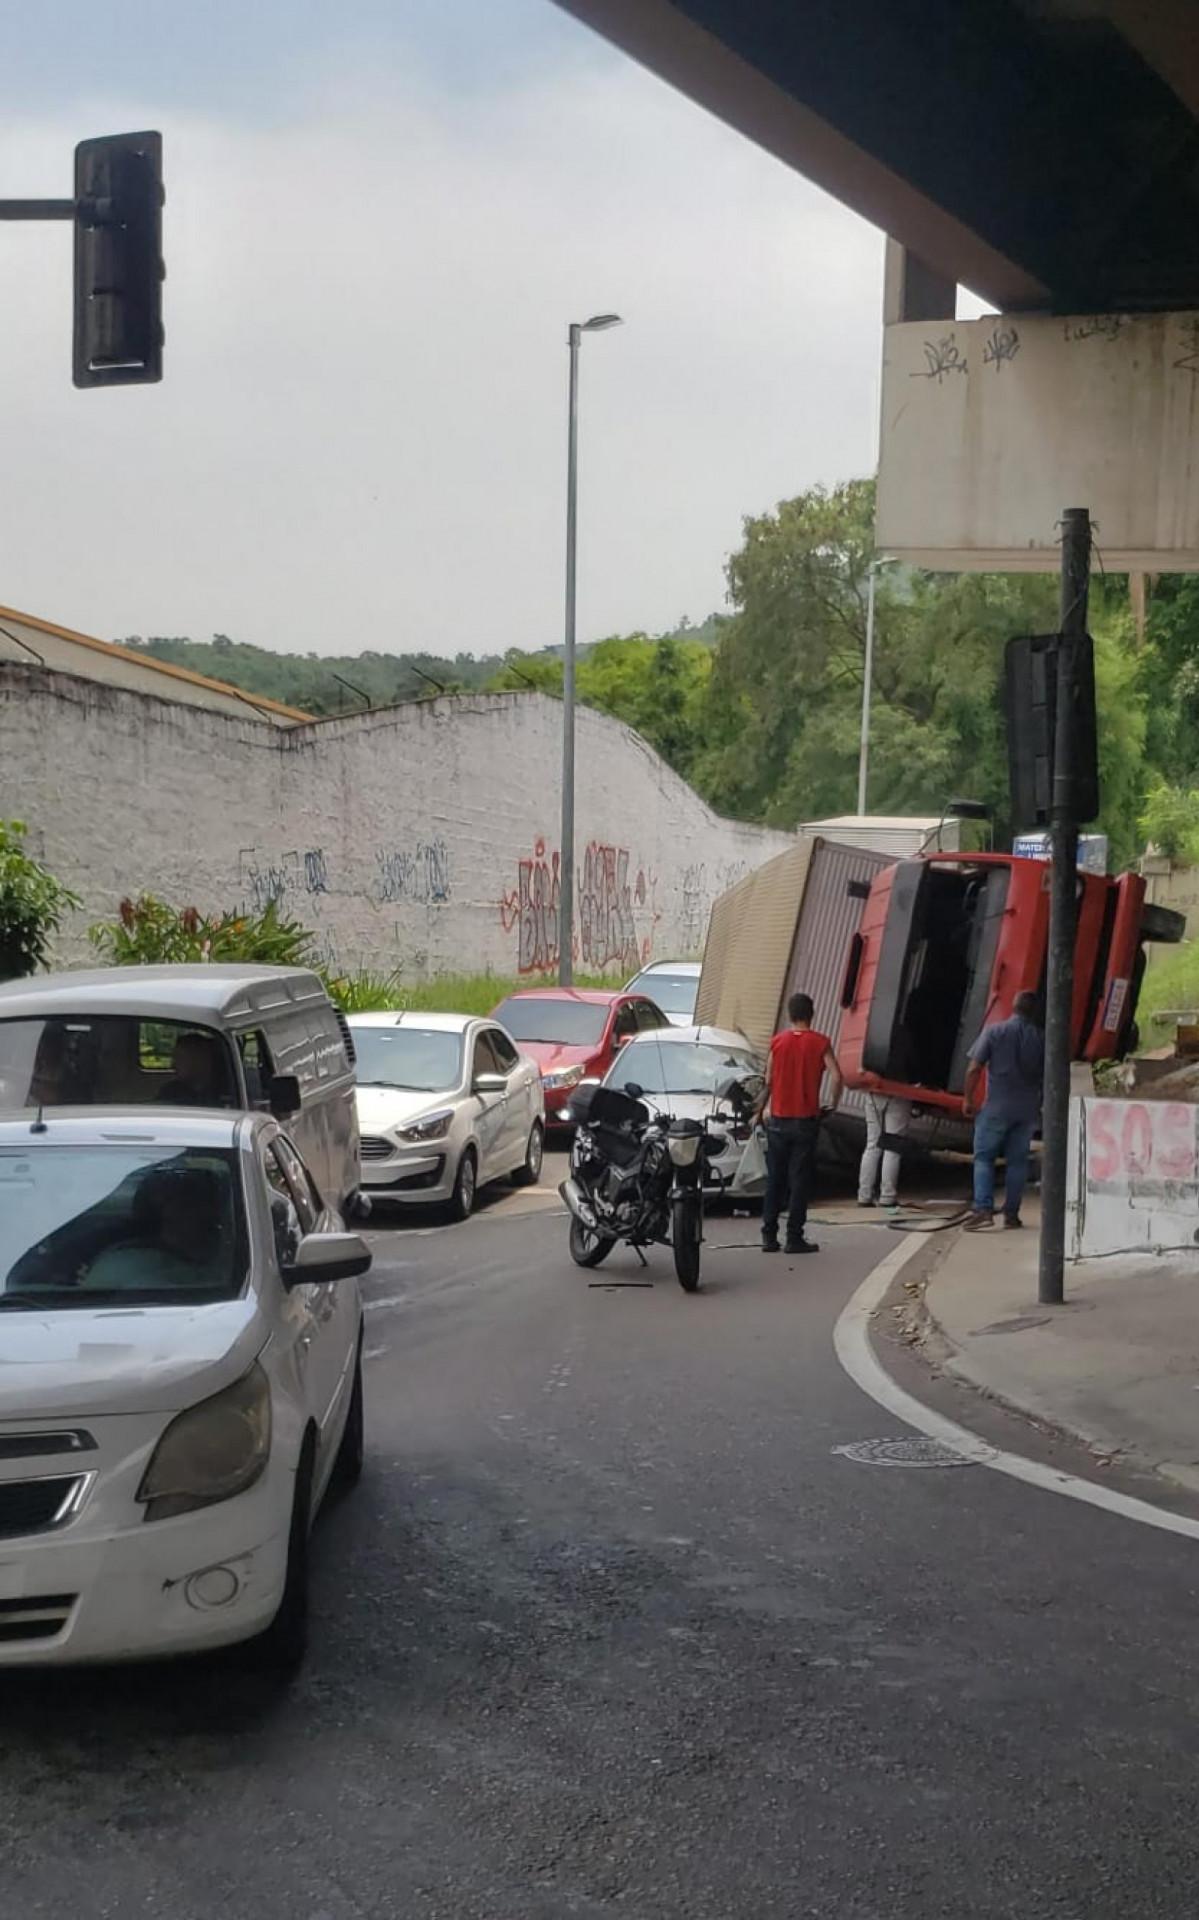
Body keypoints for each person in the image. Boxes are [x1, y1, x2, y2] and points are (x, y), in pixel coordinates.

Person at [754, 991, 844, 1255]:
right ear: (811, 1014)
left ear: (790, 1015)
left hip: (779, 1120)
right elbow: (837, 1076)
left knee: (775, 1179)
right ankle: (794, 1237)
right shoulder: (820, 1043)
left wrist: (760, 1112)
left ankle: (769, 1236)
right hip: (805, 1121)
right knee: (799, 1180)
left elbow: (768, 1081)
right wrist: (833, 1103)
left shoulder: (777, 1043)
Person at [961, 990, 1044, 1229]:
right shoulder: (1042, 1038)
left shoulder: (994, 1031)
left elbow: (974, 1068)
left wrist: (967, 1098)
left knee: (984, 1158)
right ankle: (1011, 1214)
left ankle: (983, 1209)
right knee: (1017, 1162)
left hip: (996, 1106)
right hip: (1027, 1110)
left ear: (1014, 1007)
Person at [857, 1093, 912, 1210]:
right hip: (900, 1092)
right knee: (892, 1147)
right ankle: (888, 1196)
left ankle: (864, 1196)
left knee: (872, 1145)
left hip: (873, 1092)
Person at [157, 1031, 230, 1107]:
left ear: (199, 1059)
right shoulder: (170, 1092)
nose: (172, 1065)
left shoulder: (229, 1092)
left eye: (179, 1058)